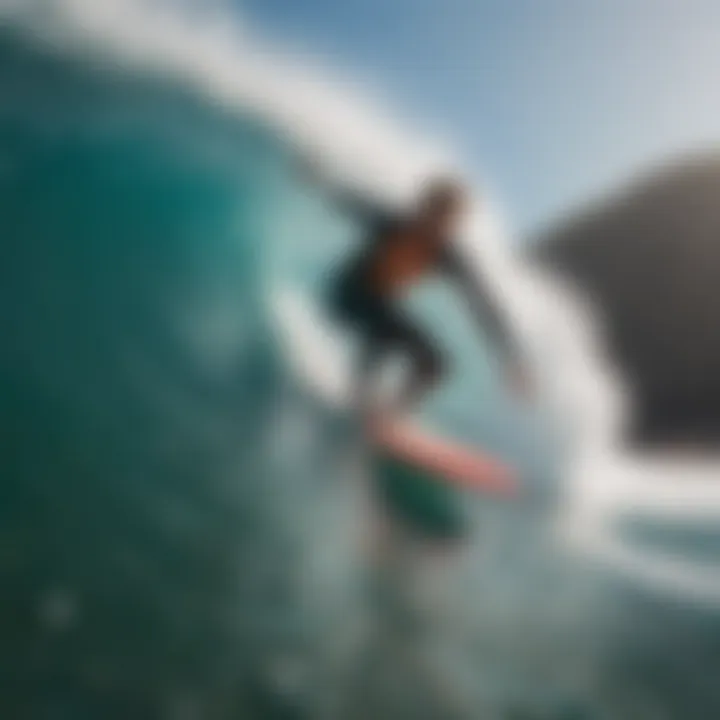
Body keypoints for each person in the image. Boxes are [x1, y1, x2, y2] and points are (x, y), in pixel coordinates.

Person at [316, 171, 528, 423]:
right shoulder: (392, 224)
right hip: (347, 295)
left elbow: (484, 305)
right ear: (423, 208)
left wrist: (510, 357)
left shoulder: (448, 256)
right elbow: (351, 202)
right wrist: (318, 176)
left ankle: (390, 417)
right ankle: (357, 402)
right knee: (383, 335)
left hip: (380, 305)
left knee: (435, 365)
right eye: (436, 213)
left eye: (449, 220)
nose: (439, 225)